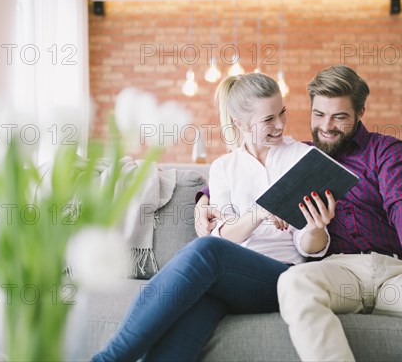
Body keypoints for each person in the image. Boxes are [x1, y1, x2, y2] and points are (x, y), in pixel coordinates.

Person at [195, 65, 402, 361]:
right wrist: (203, 199)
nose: (327, 127)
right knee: (293, 282)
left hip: (394, 271)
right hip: (338, 270)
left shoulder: (384, 151)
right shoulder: (303, 157)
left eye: (340, 117)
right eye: (319, 115)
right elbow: (245, 174)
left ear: (360, 112)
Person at [92, 73, 335, 362]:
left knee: (207, 251)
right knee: (186, 321)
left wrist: (316, 227)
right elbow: (224, 234)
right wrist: (258, 213)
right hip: (228, 282)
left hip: (280, 278)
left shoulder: (302, 158)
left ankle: (108, 359)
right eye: (268, 119)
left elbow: (308, 247)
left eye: (282, 112)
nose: (280, 124)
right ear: (240, 124)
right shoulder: (224, 168)